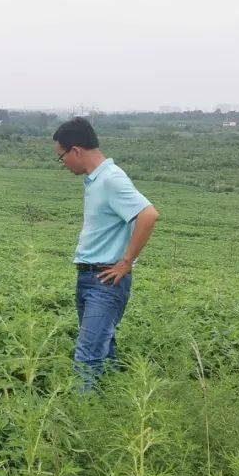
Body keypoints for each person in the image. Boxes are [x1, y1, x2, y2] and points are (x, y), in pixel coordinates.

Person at [53, 116, 159, 391]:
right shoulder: (95, 180)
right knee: (103, 350)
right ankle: (112, 405)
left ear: (76, 150)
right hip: (90, 277)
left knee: (87, 357)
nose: (63, 163)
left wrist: (126, 263)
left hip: (105, 280)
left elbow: (148, 215)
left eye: (62, 156)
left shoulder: (111, 179)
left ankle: (81, 421)